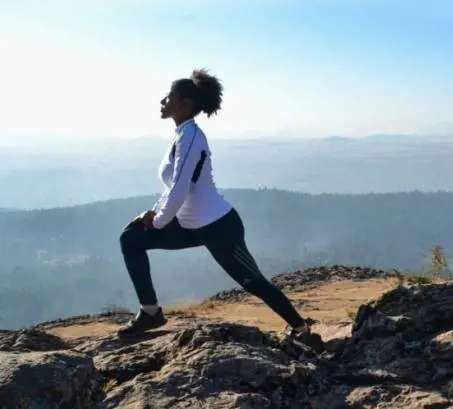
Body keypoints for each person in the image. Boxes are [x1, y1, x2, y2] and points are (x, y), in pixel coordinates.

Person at [117, 68, 323, 352]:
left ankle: (302, 328)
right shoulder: (180, 136)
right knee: (131, 238)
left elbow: (181, 188)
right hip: (189, 225)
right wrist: (152, 214)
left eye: (169, 96)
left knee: (253, 281)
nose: (163, 101)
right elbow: (171, 188)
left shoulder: (191, 137)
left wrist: (159, 221)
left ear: (186, 104)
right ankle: (151, 313)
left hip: (218, 227)